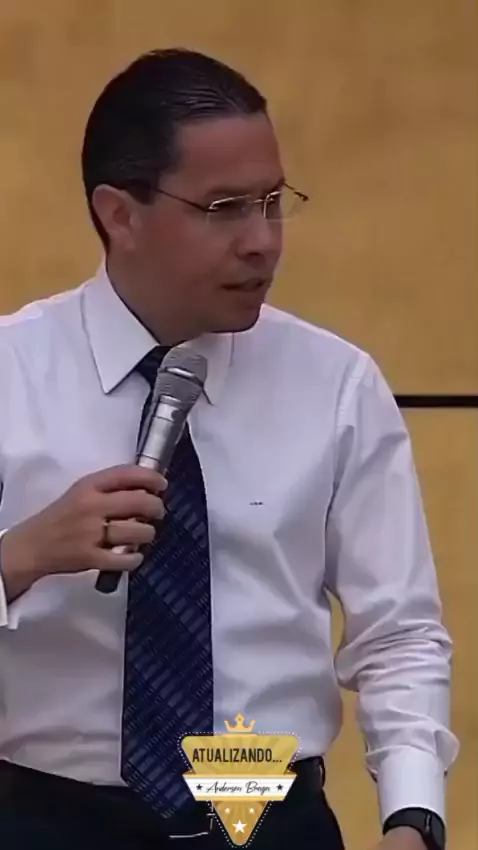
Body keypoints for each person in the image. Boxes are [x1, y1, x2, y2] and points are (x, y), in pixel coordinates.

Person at [0, 48, 458, 850]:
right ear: (120, 214)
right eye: (224, 209)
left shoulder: (336, 384)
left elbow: (400, 633)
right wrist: (21, 556)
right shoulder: (12, 374)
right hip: (46, 819)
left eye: (273, 203)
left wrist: (412, 820)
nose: (263, 242)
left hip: (268, 815)